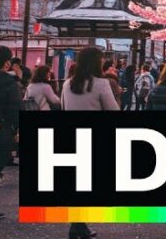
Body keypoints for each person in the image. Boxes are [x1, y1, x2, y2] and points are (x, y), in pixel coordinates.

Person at [62, 46, 120, 238]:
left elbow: (63, 107)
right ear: (96, 62)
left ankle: (78, 224)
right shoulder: (101, 84)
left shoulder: (67, 84)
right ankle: (78, 225)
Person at [0, 46, 22, 222]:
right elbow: (15, 108)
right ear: (7, 64)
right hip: (2, 131)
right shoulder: (8, 82)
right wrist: (16, 129)